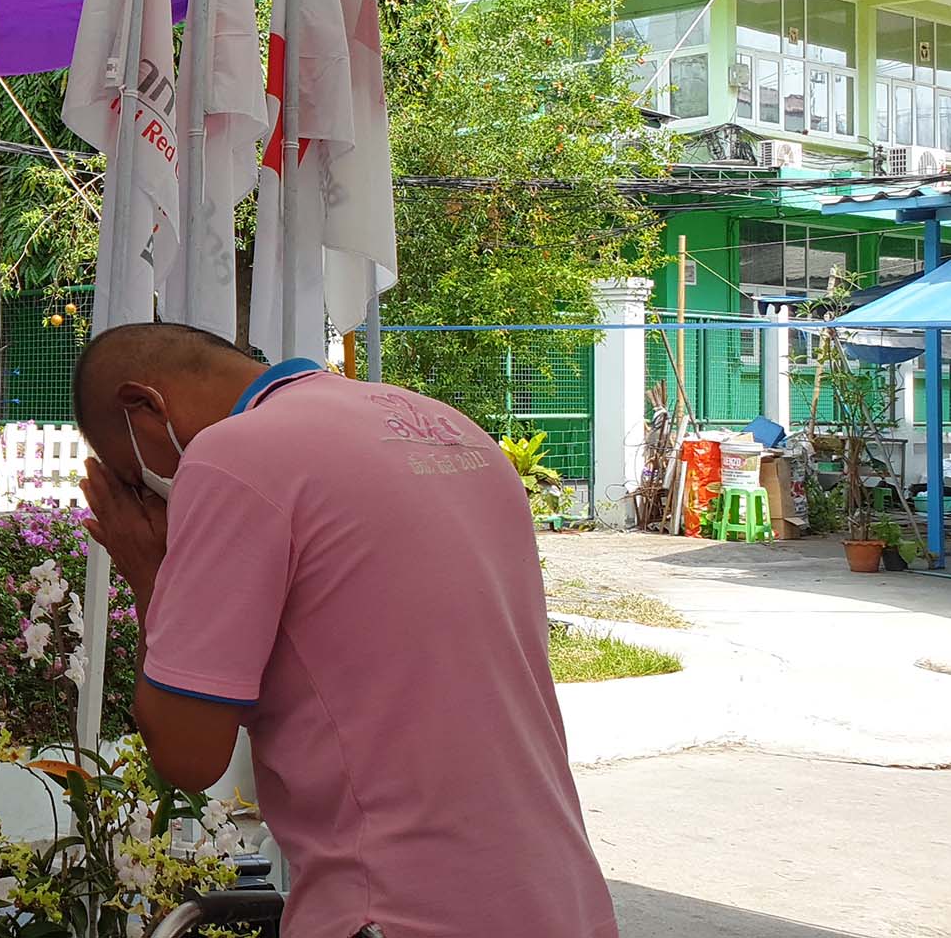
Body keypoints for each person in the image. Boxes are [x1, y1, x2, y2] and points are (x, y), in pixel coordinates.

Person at [69, 323, 616, 938]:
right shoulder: (448, 427)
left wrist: (149, 572)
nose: (152, 503)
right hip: (560, 895)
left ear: (143, 406)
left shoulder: (229, 456)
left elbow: (188, 754)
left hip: (398, 906)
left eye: (134, 483)